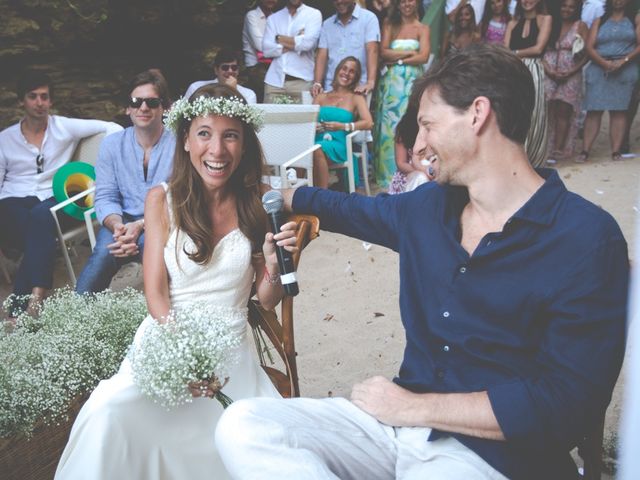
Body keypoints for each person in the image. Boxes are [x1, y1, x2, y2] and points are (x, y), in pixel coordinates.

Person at [215, 44, 628, 480]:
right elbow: (349, 209)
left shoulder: (586, 237)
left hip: (493, 458)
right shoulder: (426, 208)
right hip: (393, 430)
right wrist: (284, 197)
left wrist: (414, 406)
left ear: (477, 114)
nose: (418, 145)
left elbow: (567, 403)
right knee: (244, 426)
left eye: (427, 125)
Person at [55, 83, 298, 479]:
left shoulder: (259, 201)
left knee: (243, 439)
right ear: (185, 140)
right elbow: (155, 292)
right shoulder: (161, 200)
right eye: (204, 133)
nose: (217, 150)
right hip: (167, 337)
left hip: (230, 346)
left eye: (230, 135)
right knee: (106, 410)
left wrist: (272, 263)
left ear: (245, 144)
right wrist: (184, 359)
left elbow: (266, 300)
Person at [0, 70, 121, 315]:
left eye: (44, 97)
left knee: (41, 217)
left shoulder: (63, 127)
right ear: (22, 101)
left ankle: (34, 299)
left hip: (51, 196)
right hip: (13, 199)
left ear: (51, 101)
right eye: (33, 96)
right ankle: (31, 293)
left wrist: (107, 167)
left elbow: (111, 127)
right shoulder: (5, 138)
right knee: (31, 224)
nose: (39, 103)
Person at [75, 70, 175, 294]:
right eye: (136, 102)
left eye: (152, 102)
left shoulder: (180, 144)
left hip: (164, 222)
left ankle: (161, 319)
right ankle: (75, 316)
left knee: (154, 250)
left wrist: (139, 226)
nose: (143, 108)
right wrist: (118, 227)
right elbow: (105, 196)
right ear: (127, 108)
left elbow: (179, 197)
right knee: (103, 253)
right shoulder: (112, 144)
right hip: (121, 222)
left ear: (164, 107)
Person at [373, 0, 430, 188]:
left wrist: (396, 56)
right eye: (403, 0)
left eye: (411, 0)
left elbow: (424, 56)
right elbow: (383, 52)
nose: (407, 4)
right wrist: (409, 54)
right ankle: (387, 177)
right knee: (389, 129)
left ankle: (413, 171)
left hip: (412, 83)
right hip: (391, 85)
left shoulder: (423, 28)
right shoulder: (390, 24)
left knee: (410, 123)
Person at [577, 0, 640, 162]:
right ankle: (585, 150)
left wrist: (623, 61)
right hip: (599, 66)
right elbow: (590, 46)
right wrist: (604, 63)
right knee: (593, 109)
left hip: (625, 67)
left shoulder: (635, 18)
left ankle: (616, 151)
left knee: (619, 110)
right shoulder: (600, 19)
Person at [312, 57, 374, 188]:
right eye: (344, 68)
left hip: (339, 144)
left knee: (316, 149)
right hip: (315, 140)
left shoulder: (356, 97)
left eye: (352, 71)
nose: (346, 73)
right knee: (304, 148)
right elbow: (308, 121)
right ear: (337, 71)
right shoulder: (321, 97)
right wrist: (314, 127)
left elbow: (369, 123)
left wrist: (344, 126)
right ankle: (301, 193)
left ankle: (322, 195)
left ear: (355, 77)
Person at [505, 0, 552, 167]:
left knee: (535, 112)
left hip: (534, 69)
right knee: (513, 112)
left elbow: (538, 49)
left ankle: (533, 159)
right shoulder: (512, 22)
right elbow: (505, 50)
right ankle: (514, 156)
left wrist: (515, 53)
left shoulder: (545, 19)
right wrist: (513, 55)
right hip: (513, 71)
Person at [542, 0, 588, 164]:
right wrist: (549, 70)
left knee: (564, 111)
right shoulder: (551, 22)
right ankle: (545, 146)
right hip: (549, 70)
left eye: (571, 7)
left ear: (576, 9)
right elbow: (541, 49)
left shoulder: (580, 26)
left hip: (571, 72)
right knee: (547, 109)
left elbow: (587, 53)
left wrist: (572, 71)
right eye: (564, 5)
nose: (567, 9)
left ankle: (558, 149)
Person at [311, 0, 381, 98]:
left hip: (358, 89)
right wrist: (317, 83)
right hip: (331, 88)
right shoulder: (327, 24)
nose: (339, 1)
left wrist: (370, 82)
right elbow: (322, 55)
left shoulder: (369, 19)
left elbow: (372, 50)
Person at [262, 0, 322, 103]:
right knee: (271, 119)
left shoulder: (313, 14)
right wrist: (297, 40)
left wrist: (278, 38)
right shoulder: (274, 18)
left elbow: (307, 44)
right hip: (274, 83)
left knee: (303, 119)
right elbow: (267, 50)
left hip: (302, 83)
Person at [387, 103, 434, 194]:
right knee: (420, 179)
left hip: (432, 171)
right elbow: (401, 163)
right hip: (409, 174)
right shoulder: (405, 128)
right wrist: (423, 171)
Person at [184, 48, 257, 104]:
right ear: (216, 70)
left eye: (234, 68)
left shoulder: (249, 94)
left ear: (238, 71)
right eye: (225, 67)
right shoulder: (196, 87)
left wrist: (232, 91)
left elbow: (246, 120)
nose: (230, 71)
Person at [242, 0, 278, 103]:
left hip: (273, 66)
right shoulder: (251, 16)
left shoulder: (276, 18)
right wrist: (281, 43)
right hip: (255, 67)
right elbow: (260, 46)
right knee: (262, 102)